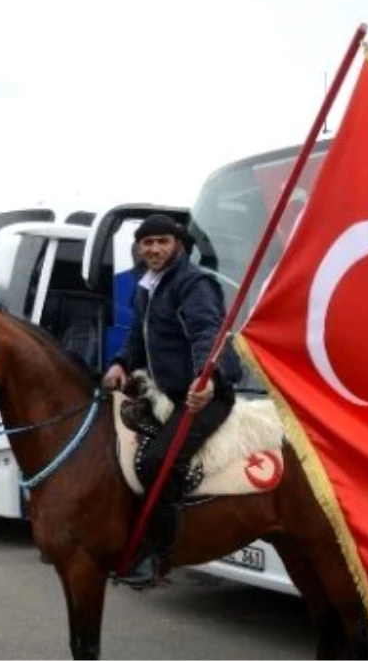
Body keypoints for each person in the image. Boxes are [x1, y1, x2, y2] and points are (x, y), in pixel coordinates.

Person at [101, 213, 244, 589]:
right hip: (166, 392)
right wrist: (119, 363)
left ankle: (161, 553)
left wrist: (207, 377)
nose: (154, 249)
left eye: (162, 241)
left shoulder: (194, 283)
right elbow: (137, 336)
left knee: (156, 460)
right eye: (147, 243)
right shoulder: (146, 286)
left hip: (204, 394)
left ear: (177, 244)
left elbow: (206, 333)